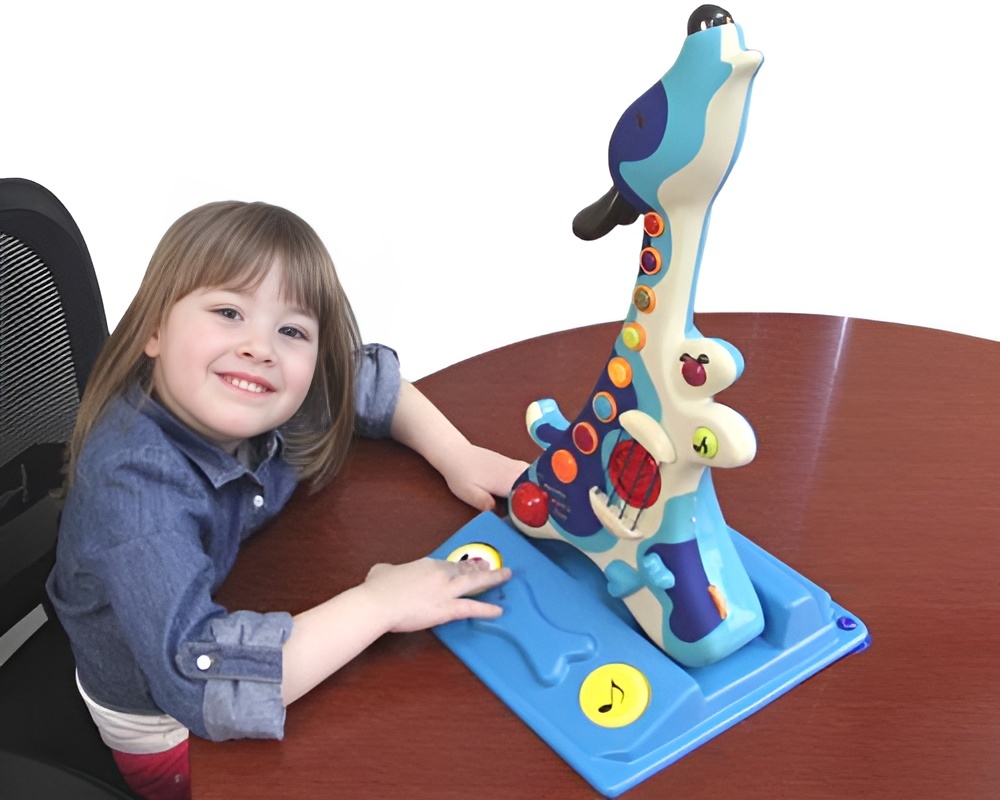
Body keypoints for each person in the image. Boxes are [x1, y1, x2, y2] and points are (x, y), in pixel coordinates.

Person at [46, 200, 527, 800]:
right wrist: (381, 603)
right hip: (166, 729)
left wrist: (457, 453)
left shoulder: (269, 387)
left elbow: (361, 383)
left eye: (292, 330)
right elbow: (204, 686)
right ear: (154, 331)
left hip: (243, 602)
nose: (261, 347)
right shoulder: (135, 488)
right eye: (228, 312)